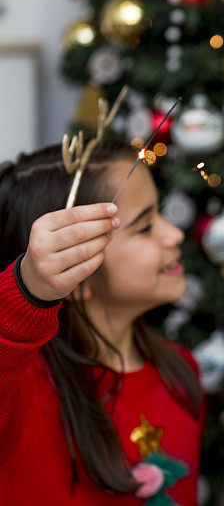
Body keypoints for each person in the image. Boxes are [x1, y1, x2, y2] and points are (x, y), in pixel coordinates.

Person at [0, 140, 204, 505]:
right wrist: (27, 288)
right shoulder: (22, 395)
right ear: (75, 268)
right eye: (144, 227)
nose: (175, 234)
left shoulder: (181, 372)